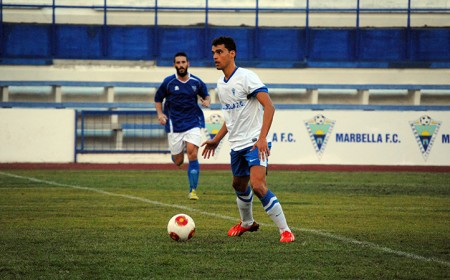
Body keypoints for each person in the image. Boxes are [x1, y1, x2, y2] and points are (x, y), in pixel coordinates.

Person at [201, 36, 295, 242]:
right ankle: (247, 223)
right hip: (236, 145)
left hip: (254, 142)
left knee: (258, 185)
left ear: (232, 53)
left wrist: (262, 138)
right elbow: (231, 118)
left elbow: (269, 106)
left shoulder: (246, 77)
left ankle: (285, 231)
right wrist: (216, 139)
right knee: (238, 185)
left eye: (219, 52)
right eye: (213, 53)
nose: (215, 57)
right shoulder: (221, 84)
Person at [155, 52, 210, 200]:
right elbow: (158, 99)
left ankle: (193, 190)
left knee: (192, 153)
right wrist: (160, 114)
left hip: (193, 122)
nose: (181, 65)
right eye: (178, 63)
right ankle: (178, 156)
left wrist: (206, 101)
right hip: (174, 124)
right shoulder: (168, 82)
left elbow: (206, 94)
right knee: (178, 160)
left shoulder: (196, 82)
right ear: (174, 65)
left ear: (188, 64)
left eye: (183, 62)